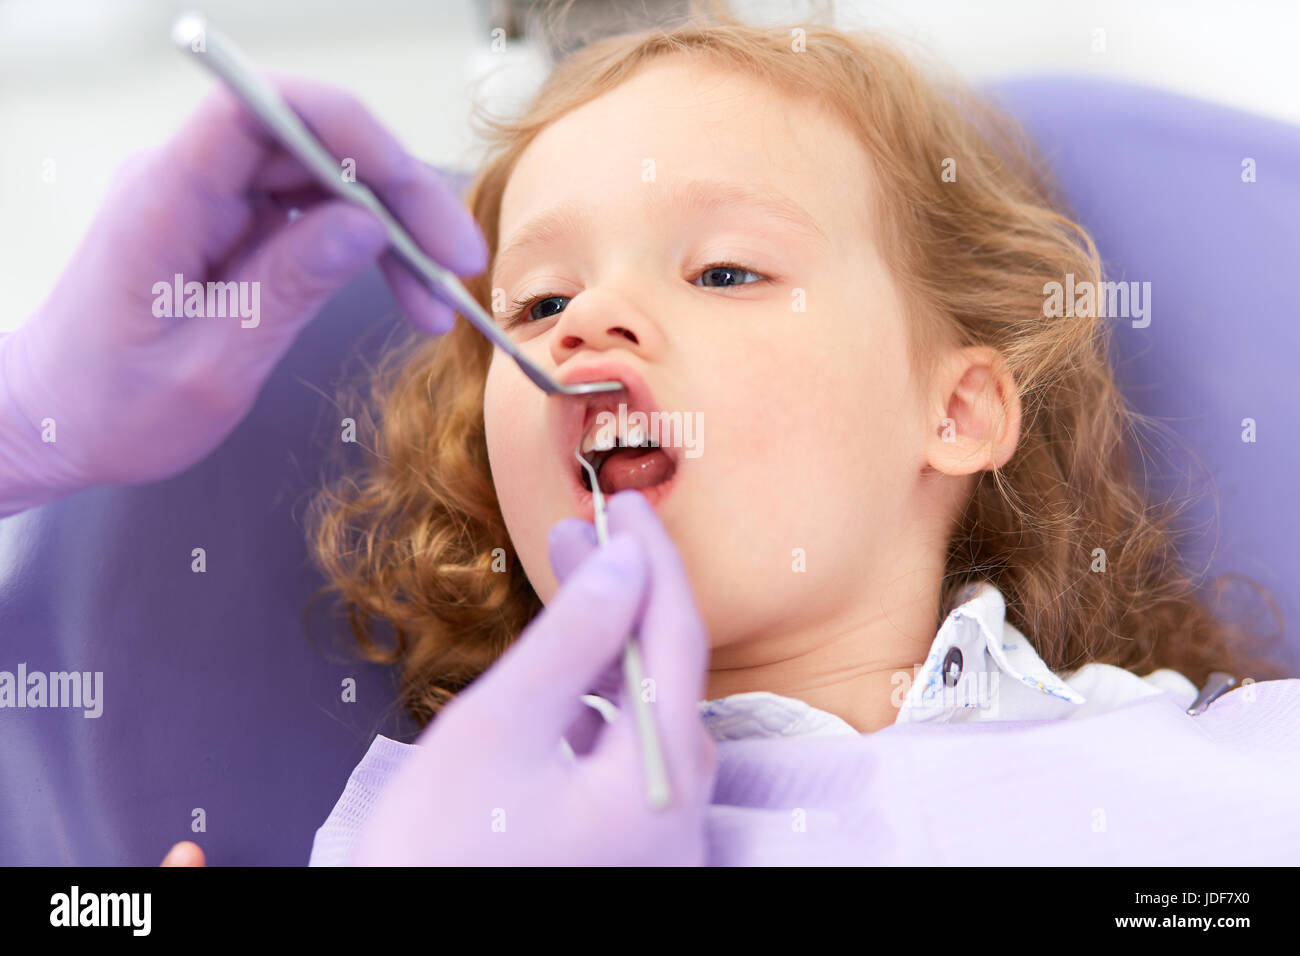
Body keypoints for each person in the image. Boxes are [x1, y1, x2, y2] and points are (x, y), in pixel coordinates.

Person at [0, 76, 716, 866]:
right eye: (543, 303)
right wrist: (24, 427)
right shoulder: (433, 815)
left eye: (724, 272)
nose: (584, 321)